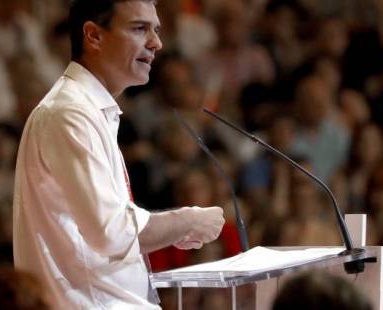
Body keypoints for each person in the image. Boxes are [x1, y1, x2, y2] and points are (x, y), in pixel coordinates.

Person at [12, 1, 225, 308]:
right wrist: (186, 221)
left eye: (156, 30)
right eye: (140, 28)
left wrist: (169, 228)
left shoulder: (90, 111)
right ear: (93, 36)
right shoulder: (69, 113)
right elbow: (111, 232)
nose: (156, 43)